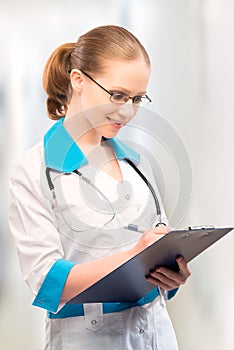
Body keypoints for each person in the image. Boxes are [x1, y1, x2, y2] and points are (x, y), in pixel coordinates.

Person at [9, 25, 191, 349]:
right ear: (78, 80)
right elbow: (47, 280)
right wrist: (134, 256)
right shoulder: (32, 169)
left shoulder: (137, 165)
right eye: (118, 95)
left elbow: (157, 245)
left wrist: (172, 277)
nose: (127, 111)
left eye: (137, 99)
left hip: (156, 332)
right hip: (88, 337)